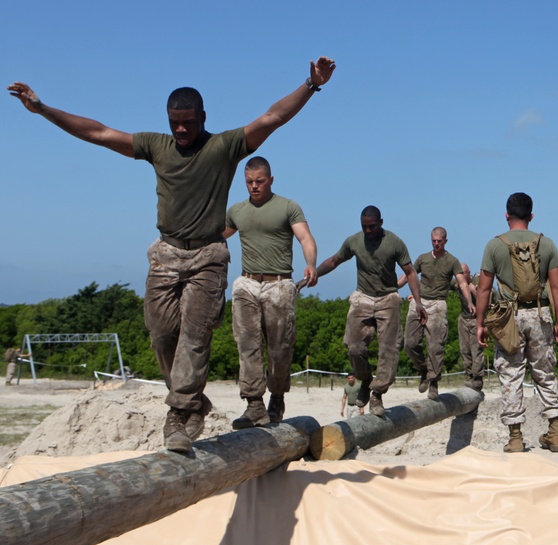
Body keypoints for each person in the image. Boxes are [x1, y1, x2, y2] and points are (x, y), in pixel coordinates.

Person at [8, 56, 336, 452]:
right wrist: (42, 109)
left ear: (202, 116)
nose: (181, 129)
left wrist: (311, 84)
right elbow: (97, 132)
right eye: (174, 122)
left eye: (188, 122)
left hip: (209, 257)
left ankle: (180, 414)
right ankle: (193, 401)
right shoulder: (156, 146)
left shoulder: (223, 146)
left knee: (195, 337)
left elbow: (271, 118)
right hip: (165, 254)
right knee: (162, 334)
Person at [222, 156, 317, 428]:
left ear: (271, 180)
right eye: (249, 182)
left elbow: (305, 237)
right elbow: (215, 235)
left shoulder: (288, 207)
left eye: (259, 182)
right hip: (247, 283)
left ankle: (276, 398)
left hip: (279, 284)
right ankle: (254, 404)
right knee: (247, 343)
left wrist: (310, 264)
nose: (254, 187)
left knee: (279, 348)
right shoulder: (236, 211)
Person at [476, 192, 558, 453]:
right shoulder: (546, 244)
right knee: (544, 372)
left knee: (511, 374)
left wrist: (481, 323)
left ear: (507, 216)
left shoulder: (494, 246)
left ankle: (515, 437)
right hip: (540, 314)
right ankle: (556, 432)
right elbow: (557, 288)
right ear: (531, 216)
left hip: (508, 319)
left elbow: (483, 289)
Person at [315, 206, 425, 417]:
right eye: (364, 227)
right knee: (353, 346)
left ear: (381, 223)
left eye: (372, 227)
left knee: (389, 349)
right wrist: (314, 275)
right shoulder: (354, 241)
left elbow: (410, 272)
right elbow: (334, 260)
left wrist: (418, 303)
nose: (368, 231)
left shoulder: (394, 242)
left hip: (388, 297)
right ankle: (365, 378)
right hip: (363, 296)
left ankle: (377, 393)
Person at [397, 228, 474, 400]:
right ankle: (424, 370)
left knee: (435, 346)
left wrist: (469, 301)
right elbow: (408, 276)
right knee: (409, 343)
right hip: (420, 301)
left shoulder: (452, 261)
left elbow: (462, 283)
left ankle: (433, 382)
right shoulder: (422, 258)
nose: (436, 244)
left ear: (445, 241)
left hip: (438, 304)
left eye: (439, 241)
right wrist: (391, 288)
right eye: (433, 241)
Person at [455, 263, 485, 390]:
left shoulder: (476, 285)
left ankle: (477, 378)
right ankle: (469, 375)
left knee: (476, 350)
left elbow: (486, 302)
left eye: (463, 273)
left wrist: (474, 291)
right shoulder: (457, 285)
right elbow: (440, 285)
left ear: (468, 273)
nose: (461, 276)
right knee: (464, 350)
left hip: (475, 320)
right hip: (463, 319)